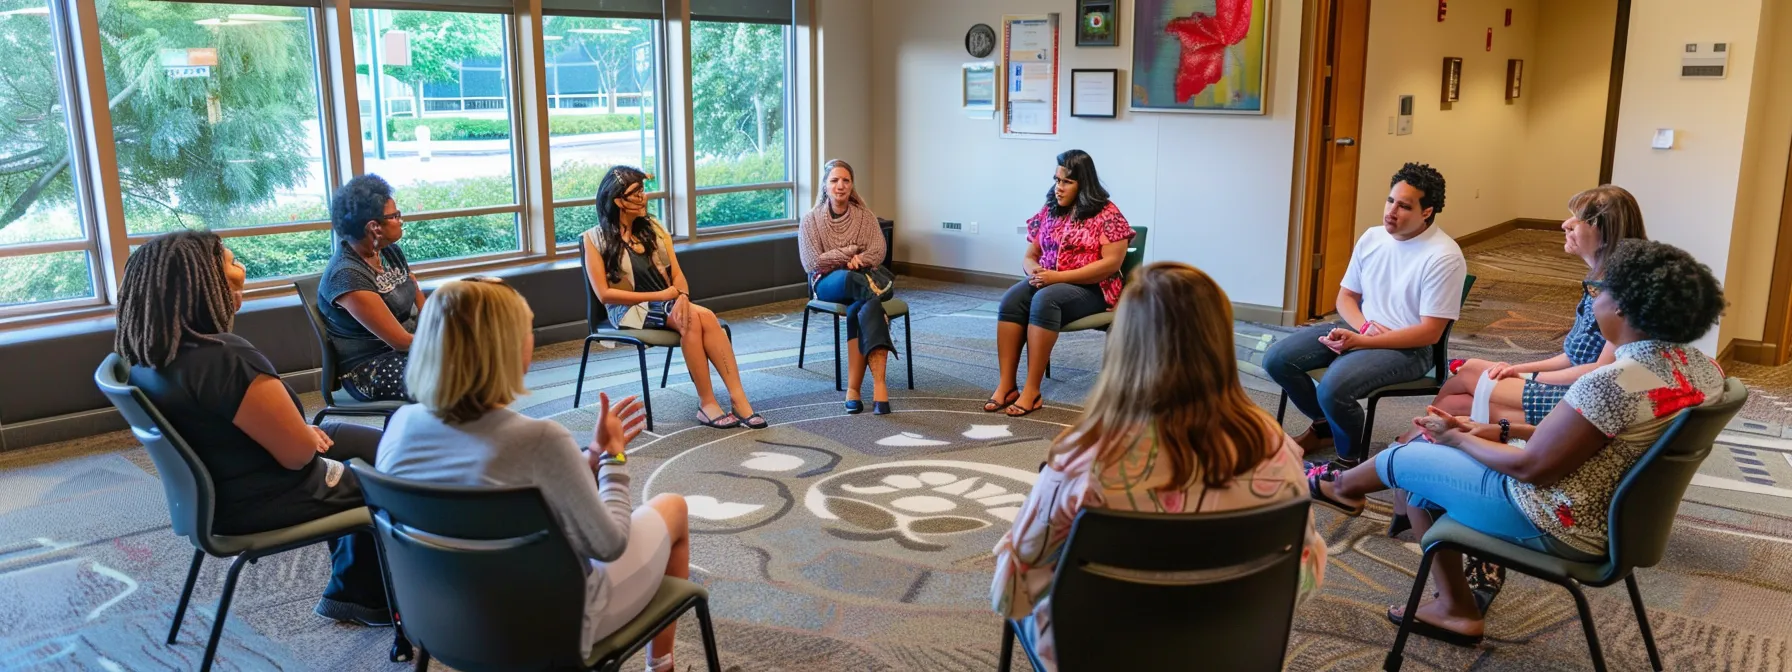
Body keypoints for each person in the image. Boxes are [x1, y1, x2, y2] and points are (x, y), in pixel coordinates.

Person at [1309, 239, 1726, 647]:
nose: (1594, 299)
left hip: (1555, 520)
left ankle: (1347, 493)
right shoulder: (1702, 371)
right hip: (1615, 519)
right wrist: (1503, 431)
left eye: (1601, 291)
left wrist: (1456, 437)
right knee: (1423, 477)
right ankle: (1451, 602)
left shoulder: (1609, 383)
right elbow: (1589, 438)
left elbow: (1531, 469)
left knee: (1410, 454)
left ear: (1621, 306)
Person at [992, 262, 1327, 671]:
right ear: (1219, 340)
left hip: (1103, 653)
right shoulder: (1275, 446)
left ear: (1124, 346)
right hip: (1229, 647)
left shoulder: (1084, 457)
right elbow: (1304, 577)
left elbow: (1010, 592)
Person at [376, 278, 693, 672]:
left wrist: (590, 455)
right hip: (549, 628)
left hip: (441, 619)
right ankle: (661, 666)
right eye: (528, 330)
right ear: (505, 350)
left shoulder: (400, 425)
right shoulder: (539, 439)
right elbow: (609, 545)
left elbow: (501, 482)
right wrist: (614, 460)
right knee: (673, 508)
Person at [118, 230, 391, 625]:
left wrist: (298, 432)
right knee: (396, 483)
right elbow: (297, 456)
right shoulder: (225, 359)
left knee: (379, 445)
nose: (241, 268)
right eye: (230, 262)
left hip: (222, 496)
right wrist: (299, 434)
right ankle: (394, 599)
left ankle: (357, 593)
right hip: (267, 497)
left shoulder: (147, 358)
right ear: (202, 281)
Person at [1262, 162, 1467, 473]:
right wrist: (1364, 330)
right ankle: (1327, 425)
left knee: (1334, 388)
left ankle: (1348, 460)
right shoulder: (1373, 238)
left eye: (1404, 206)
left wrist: (1364, 340)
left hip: (1408, 349)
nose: (1391, 211)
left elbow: (1429, 333)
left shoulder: (1443, 255)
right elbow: (1345, 297)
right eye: (1390, 201)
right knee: (1277, 359)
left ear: (1427, 212)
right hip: (1360, 329)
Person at [1416, 185, 1648, 429]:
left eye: (1577, 220)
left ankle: (1405, 446)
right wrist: (1520, 367)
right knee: (1461, 389)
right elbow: (1572, 356)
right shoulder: (1598, 283)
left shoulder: (1620, 292)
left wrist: (1533, 377)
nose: (1565, 224)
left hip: (1580, 397)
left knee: (1465, 383)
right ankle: (1409, 444)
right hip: (1572, 383)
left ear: (1603, 232)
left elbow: (1602, 369)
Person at [582, 166, 767, 429]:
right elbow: (604, 294)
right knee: (695, 318)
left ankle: (731, 400)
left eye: (643, 191)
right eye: (635, 194)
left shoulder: (654, 228)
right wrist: (665, 295)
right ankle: (712, 403)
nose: (643, 198)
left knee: (699, 316)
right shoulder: (594, 239)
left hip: (670, 302)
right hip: (629, 310)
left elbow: (678, 275)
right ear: (618, 201)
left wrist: (682, 296)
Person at [985, 149, 1135, 418]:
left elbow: (1111, 263)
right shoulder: (1051, 210)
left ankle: (1032, 391)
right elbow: (1031, 255)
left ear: (1083, 183)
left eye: (1066, 182)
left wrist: (1058, 278)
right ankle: (1007, 386)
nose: (1058, 188)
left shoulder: (1107, 214)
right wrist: (1035, 271)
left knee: (1045, 300)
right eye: (1056, 180)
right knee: (1011, 299)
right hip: (1051, 280)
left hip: (1094, 289)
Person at [799, 159, 895, 415]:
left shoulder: (865, 216)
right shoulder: (810, 220)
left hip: (860, 279)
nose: (840, 186)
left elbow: (878, 250)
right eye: (834, 181)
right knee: (850, 281)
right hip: (827, 283)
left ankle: (856, 389)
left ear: (852, 186)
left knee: (860, 307)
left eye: (845, 181)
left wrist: (861, 259)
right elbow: (811, 262)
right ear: (825, 186)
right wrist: (850, 252)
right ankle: (879, 385)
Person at [317, 174, 424, 402]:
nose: (400, 219)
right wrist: (448, 343)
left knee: (473, 361)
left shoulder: (389, 251)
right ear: (374, 227)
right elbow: (400, 341)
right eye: (395, 216)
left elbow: (418, 298)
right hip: (370, 369)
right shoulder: (347, 275)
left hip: (410, 352)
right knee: (452, 378)